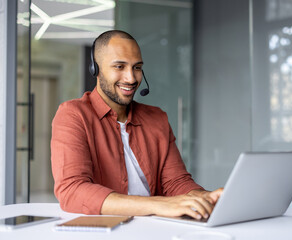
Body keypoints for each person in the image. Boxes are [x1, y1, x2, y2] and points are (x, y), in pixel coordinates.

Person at [51, 30, 223, 220]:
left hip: (152, 230)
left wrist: (204, 198)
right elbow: (72, 190)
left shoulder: (157, 118)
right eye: (119, 66)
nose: (131, 78)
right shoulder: (73, 115)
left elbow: (176, 183)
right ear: (96, 69)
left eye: (137, 67)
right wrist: (160, 205)